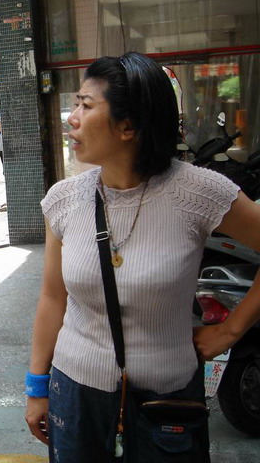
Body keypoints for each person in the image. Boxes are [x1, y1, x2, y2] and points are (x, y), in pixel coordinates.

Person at [24, 52, 260, 462]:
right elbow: (52, 297)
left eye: (86, 105)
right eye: (75, 104)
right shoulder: (63, 200)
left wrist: (229, 332)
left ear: (128, 125)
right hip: (76, 395)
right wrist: (36, 387)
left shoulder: (199, 193)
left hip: (167, 401)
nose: (71, 118)